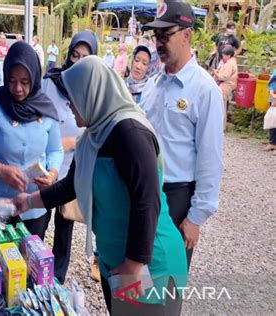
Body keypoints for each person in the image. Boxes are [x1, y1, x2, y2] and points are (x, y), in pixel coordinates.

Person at [13, 56, 187, 315]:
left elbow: (147, 199)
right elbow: (71, 185)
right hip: (114, 262)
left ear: (90, 93)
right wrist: (27, 202)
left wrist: (134, 264)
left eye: (72, 97)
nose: (69, 106)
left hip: (150, 266)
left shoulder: (130, 133)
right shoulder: (93, 136)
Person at [140, 1, 224, 271]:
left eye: (166, 36)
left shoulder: (204, 90)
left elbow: (210, 159)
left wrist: (196, 217)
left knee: (168, 280)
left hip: (176, 197)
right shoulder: (154, 84)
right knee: (138, 272)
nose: (159, 43)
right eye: (156, 37)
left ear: (187, 35)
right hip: (144, 191)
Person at [0, 41, 63, 238]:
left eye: (25, 81)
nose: (17, 88)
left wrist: (52, 175)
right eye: (11, 80)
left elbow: (56, 150)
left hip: (35, 204)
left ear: (35, 77)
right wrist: (0, 170)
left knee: (32, 261)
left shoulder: (45, 108)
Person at [42, 30, 98, 284]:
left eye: (85, 58)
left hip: (73, 171)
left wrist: (74, 142)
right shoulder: (49, 83)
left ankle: (57, 279)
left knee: (64, 229)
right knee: (38, 224)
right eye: (74, 55)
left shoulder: (93, 92)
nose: (77, 62)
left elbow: (95, 131)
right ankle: (33, 272)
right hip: (44, 167)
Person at [212, 46, 238, 129]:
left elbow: (224, 77)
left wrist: (216, 73)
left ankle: (220, 126)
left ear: (229, 55)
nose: (223, 57)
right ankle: (220, 126)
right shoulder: (232, 62)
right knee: (221, 106)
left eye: (224, 55)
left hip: (225, 86)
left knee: (221, 107)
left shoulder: (230, 64)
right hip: (226, 85)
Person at [263, 69, 276, 153]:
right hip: (274, 99)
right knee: (273, 121)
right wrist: (272, 94)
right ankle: (272, 143)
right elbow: (272, 82)